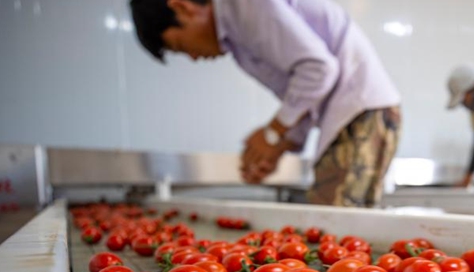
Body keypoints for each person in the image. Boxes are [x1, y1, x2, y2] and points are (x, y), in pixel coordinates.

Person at [130, 0, 401, 207]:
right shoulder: (238, 39)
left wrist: (272, 132)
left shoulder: (246, 5)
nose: (192, 56)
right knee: (337, 232)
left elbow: (319, 69)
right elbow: (304, 94)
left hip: (362, 111)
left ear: (182, 7)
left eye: (180, 45)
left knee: (336, 231)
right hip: (352, 115)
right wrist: (279, 145)